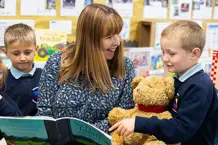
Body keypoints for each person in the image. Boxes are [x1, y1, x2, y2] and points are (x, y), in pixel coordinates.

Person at [109, 20, 218, 145]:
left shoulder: (200, 86)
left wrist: (139, 123)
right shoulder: (178, 79)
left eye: (171, 53)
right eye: (163, 52)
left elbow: (181, 128)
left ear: (194, 54)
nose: (165, 58)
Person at [36, 3, 135, 133]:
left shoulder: (125, 67)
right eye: (109, 37)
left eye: (118, 34)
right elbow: (44, 111)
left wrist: (81, 134)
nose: (117, 42)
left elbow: (123, 116)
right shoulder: (57, 61)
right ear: (89, 39)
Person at [0, 23, 42, 116]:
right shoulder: (3, 80)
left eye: (27, 52)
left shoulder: (45, 77)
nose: (22, 58)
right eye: (16, 53)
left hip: (38, 129)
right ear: (6, 53)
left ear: (36, 49)